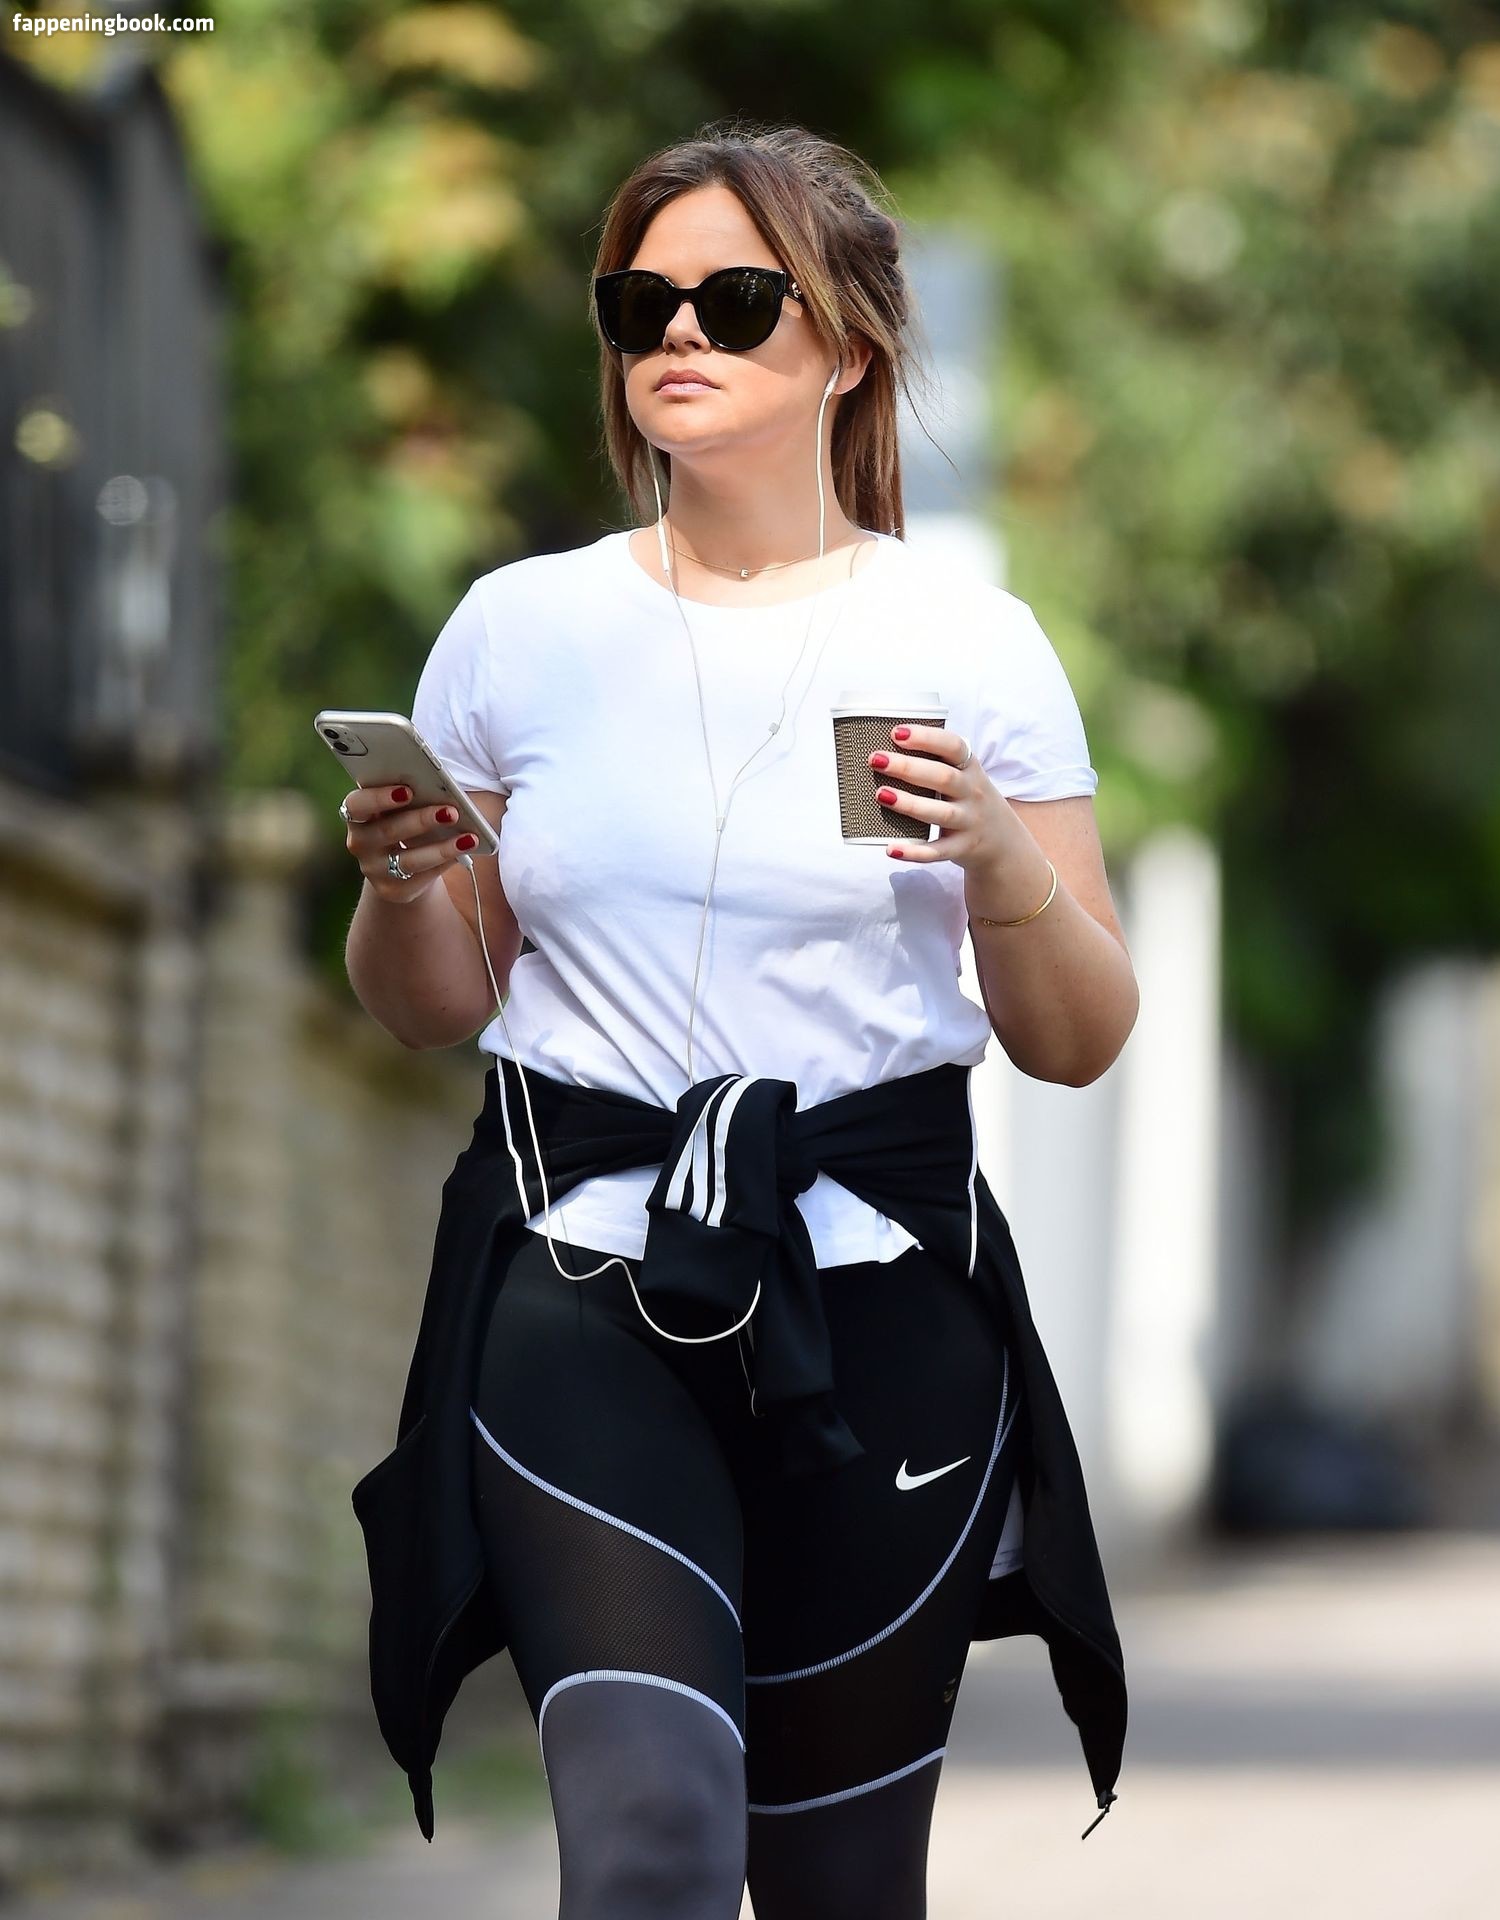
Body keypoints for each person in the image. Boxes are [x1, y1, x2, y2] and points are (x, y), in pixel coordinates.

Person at [341, 121, 1138, 1919]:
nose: (677, 334)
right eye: (639, 305)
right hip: (580, 1285)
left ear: (845, 345)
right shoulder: (519, 628)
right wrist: (399, 887)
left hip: (880, 1299)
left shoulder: (968, 639)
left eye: (733, 298)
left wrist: (1001, 858)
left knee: (841, 1883)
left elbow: (1080, 1036)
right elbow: (432, 1006)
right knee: (648, 1842)